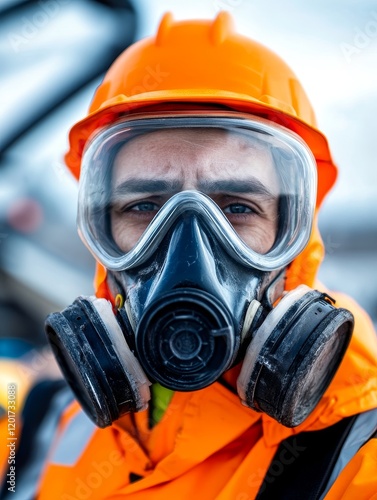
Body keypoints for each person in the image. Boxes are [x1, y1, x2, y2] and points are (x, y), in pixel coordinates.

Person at [1, 11, 377, 499]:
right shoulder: (36, 419)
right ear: (100, 230)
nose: (188, 250)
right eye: (144, 207)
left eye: (238, 207)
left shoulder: (357, 453)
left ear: (296, 233)